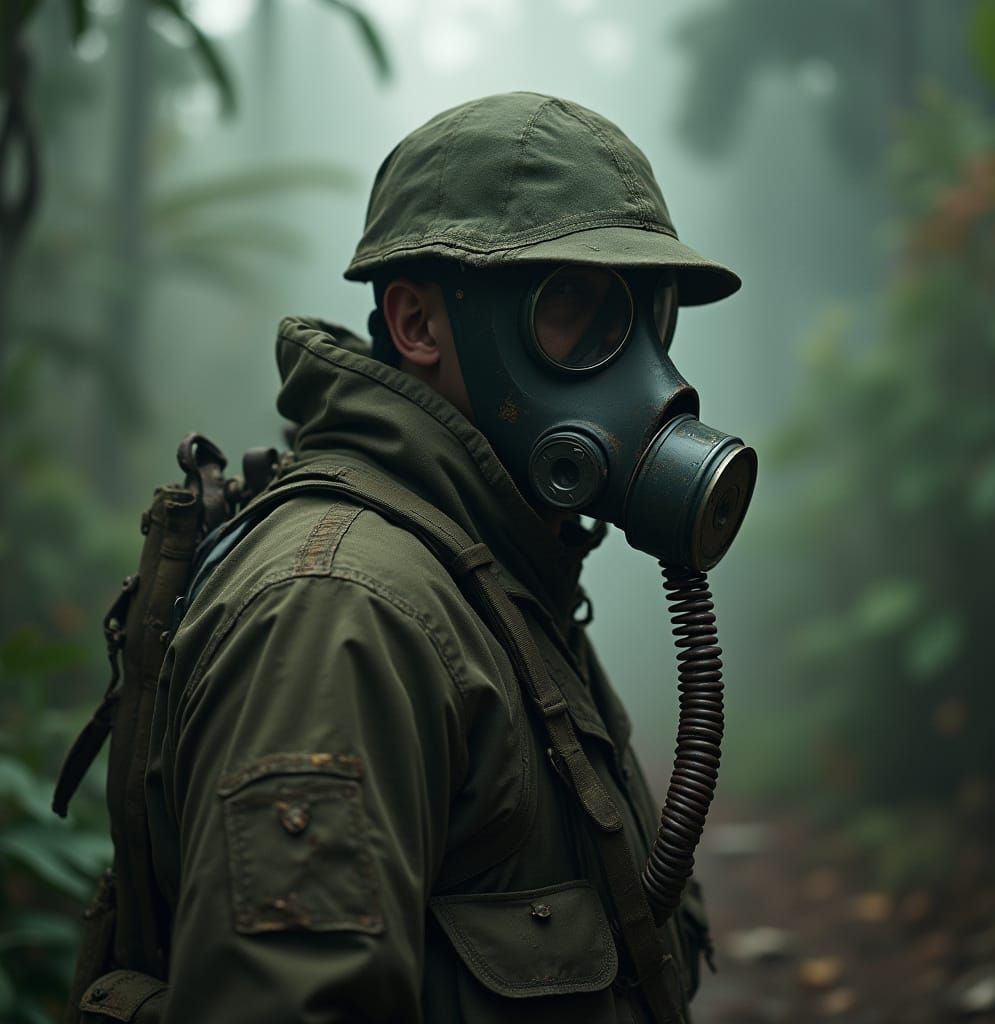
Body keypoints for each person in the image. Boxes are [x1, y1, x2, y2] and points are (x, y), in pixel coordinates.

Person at [143, 91, 751, 1024]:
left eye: (646, 312)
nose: (641, 372)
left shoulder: (490, 574)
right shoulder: (343, 610)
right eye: (574, 306)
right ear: (421, 325)